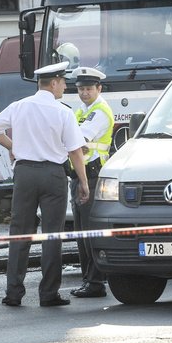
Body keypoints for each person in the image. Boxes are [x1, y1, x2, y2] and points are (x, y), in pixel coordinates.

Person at [0, 61, 89, 307]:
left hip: (25, 173)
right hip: (53, 175)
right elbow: (75, 151)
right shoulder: (63, 111)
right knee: (52, 234)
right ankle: (48, 293)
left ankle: (13, 293)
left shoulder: (19, 106)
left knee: (20, 232)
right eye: (63, 82)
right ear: (53, 83)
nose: (64, 86)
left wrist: (14, 147)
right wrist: (83, 182)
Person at [68, 67, 113, 298]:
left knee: (90, 232)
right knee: (81, 232)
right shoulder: (82, 110)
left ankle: (96, 282)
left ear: (99, 88)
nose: (84, 93)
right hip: (80, 175)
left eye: (88, 88)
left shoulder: (99, 111)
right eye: (81, 89)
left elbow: (78, 140)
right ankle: (89, 280)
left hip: (92, 177)